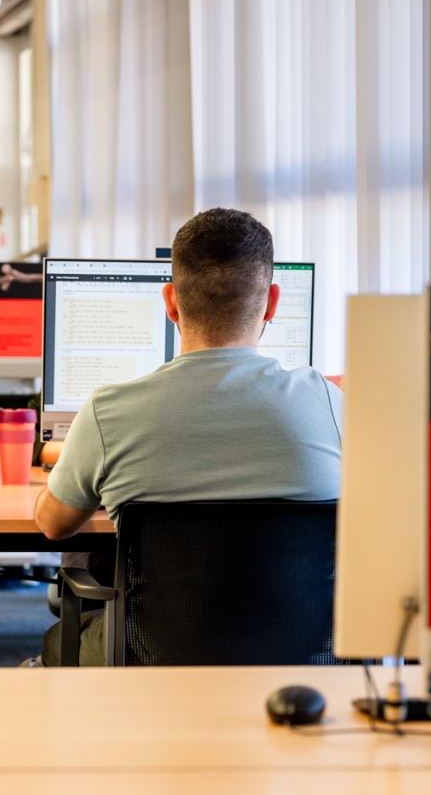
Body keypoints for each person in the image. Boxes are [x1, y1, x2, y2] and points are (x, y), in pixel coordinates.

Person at [30, 207, 344, 666]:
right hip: (300, 666)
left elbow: (53, 525)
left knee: (56, 642)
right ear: (273, 303)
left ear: (170, 302)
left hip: (157, 663)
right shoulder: (330, 404)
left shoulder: (107, 412)